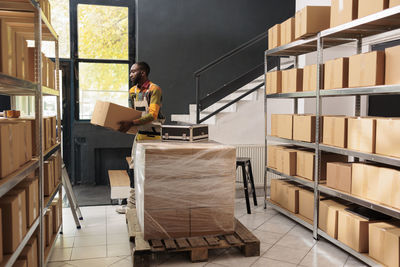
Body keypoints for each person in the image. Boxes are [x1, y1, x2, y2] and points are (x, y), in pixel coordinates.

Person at [116, 61, 164, 214]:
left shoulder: (154, 89)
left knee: (151, 171)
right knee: (133, 168)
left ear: (142, 73)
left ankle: (150, 205)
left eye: (133, 72)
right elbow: (132, 113)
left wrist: (132, 122)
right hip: (140, 135)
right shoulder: (132, 91)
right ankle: (132, 205)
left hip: (154, 135)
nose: (130, 75)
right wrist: (125, 123)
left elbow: (153, 115)